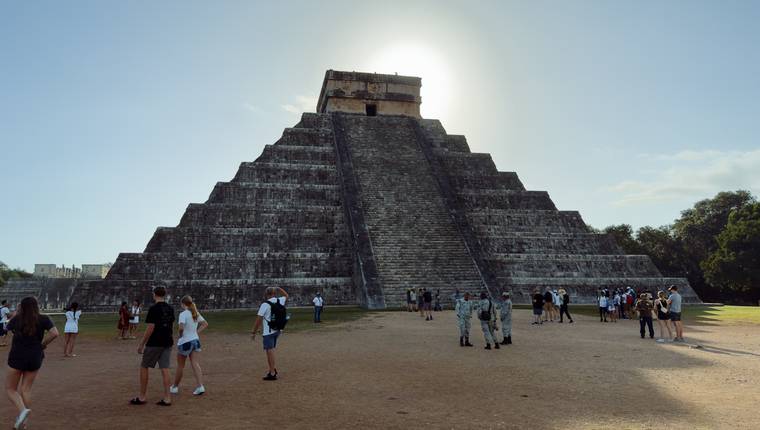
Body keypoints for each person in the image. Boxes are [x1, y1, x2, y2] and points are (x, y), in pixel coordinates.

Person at [5, 296, 59, 429]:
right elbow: (54, 333)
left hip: (17, 356)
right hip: (35, 356)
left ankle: (22, 411)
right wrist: (43, 344)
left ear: (21, 306)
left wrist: (17, 314)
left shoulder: (17, 319)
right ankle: (23, 423)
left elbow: (6, 328)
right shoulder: (43, 318)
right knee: (26, 389)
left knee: (11, 389)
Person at [131, 286, 175, 406]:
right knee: (165, 368)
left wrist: (142, 344)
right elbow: (170, 324)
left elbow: (151, 327)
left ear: (154, 294)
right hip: (167, 341)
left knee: (144, 366)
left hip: (155, 342)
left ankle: (142, 396)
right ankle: (167, 398)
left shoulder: (153, 308)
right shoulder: (170, 308)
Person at [170, 296, 208, 396]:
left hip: (185, 342)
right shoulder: (195, 312)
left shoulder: (183, 314)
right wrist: (196, 332)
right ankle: (200, 386)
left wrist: (180, 335)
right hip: (195, 340)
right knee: (195, 363)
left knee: (180, 366)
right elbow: (205, 324)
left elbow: (181, 328)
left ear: (183, 304)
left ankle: (175, 387)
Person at [251, 287, 289, 381]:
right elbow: (286, 295)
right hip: (277, 330)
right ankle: (272, 369)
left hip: (268, 332)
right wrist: (279, 289)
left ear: (266, 294)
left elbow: (258, 320)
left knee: (269, 352)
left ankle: (272, 372)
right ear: (274, 293)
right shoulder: (280, 300)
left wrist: (253, 332)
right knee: (271, 350)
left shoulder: (265, 304)